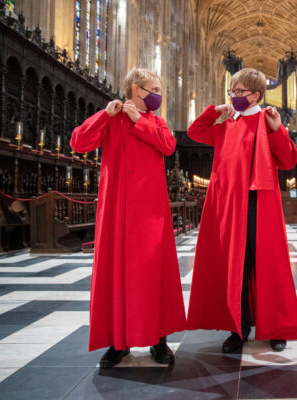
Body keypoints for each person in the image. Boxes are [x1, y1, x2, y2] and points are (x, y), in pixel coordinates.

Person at [70, 67, 186, 367]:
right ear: (137, 89)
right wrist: (104, 115)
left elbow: (168, 146)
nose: (159, 94)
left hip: (150, 213)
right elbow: (79, 143)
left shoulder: (156, 122)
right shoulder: (112, 119)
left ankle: (159, 342)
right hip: (117, 212)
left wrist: (139, 121)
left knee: (153, 276)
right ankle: (117, 343)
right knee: (116, 274)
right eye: (154, 88)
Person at [186, 67, 297, 353]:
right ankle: (238, 327)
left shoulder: (269, 121)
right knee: (234, 266)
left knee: (267, 265)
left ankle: (276, 327)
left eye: (240, 92)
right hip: (229, 204)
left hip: (261, 204)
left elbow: (288, 160)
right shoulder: (226, 124)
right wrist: (214, 111)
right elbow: (194, 131)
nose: (234, 96)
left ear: (256, 95)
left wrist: (278, 130)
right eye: (232, 91)